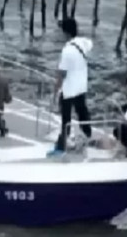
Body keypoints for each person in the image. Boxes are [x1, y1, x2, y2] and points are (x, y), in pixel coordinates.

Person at [47, 17, 93, 157]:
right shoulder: (84, 43)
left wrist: (55, 91)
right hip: (81, 86)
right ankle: (87, 134)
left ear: (65, 33)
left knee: (65, 119)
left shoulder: (67, 51)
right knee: (82, 112)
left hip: (69, 89)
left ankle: (61, 146)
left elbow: (61, 74)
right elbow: (90, 44)